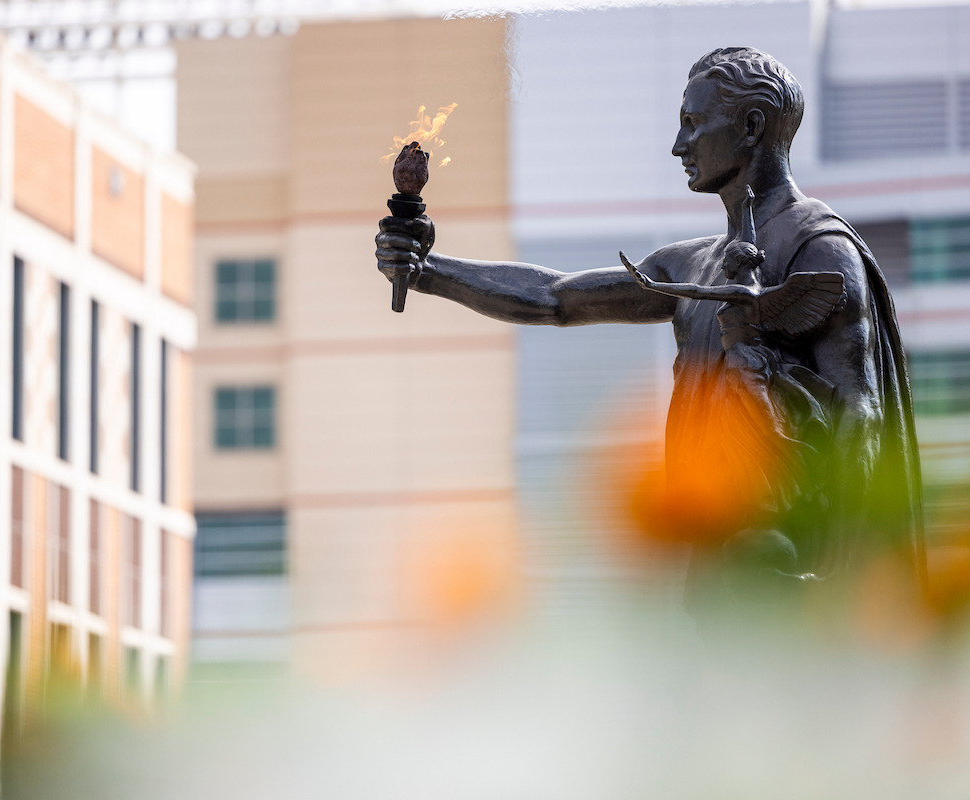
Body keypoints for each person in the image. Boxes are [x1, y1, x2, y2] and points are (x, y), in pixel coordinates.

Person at [374, 46, 925, 619]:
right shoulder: (692, 266)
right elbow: (556, 297)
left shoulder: (820, 249)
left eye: (692, 124)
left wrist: (838, 575)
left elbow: (861, 417)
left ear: (751, 126)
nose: (678, 146)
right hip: (715, 572)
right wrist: (429, 273)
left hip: (792, 571)